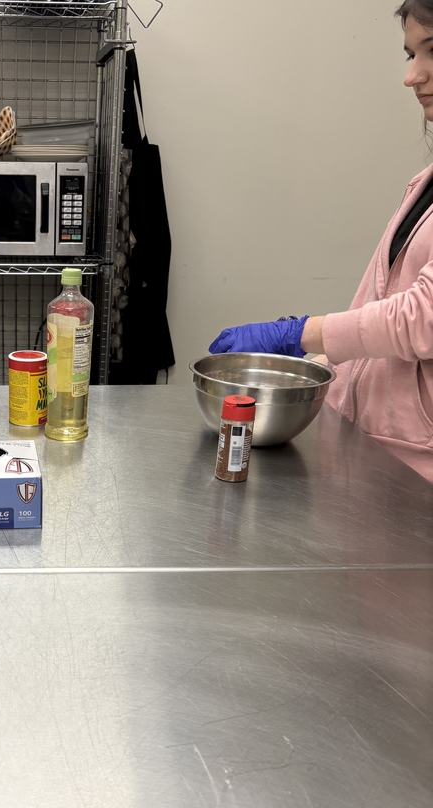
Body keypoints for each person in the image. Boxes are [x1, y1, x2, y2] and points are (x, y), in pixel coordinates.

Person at [209, 0, 433, 484]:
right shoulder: (425, 182)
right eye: (409, 55)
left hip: (416, 466)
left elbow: (421, 320)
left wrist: (300, 333)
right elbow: (384, 303)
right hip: (375, 446)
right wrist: (319, 361)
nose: (412, 76)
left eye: (430, 51)